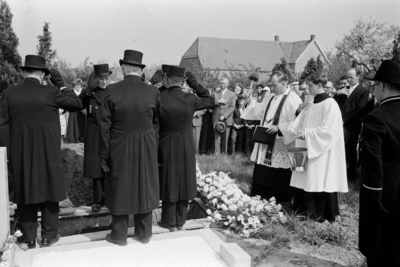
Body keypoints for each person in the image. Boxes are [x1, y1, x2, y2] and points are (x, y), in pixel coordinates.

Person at [0, 55, 83, 248]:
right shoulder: (51, 91)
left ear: (23, 72)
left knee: (24, 190)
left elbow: (3, 127)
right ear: (43, 74)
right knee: (50, 189)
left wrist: (6, 155)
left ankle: (28, 237)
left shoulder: (10, 93)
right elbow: (77, 104)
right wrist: (61, 85)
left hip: (21, 151)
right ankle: (48, 235)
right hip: (48, 150)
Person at [99, 50, 160, 245]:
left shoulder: (111, 90)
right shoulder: (152, 91)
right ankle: (144, 234)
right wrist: (150, 138)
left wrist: (104, 154)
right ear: (140, 70)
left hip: (119, 144)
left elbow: (104, 126)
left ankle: (119, 235)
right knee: (145, 184)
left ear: (123, 68)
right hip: (146, 145)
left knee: (120, 186)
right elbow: (158, 121)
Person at [158, 67, 215, 231]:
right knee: (183, 178)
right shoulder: (190, 98)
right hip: (186, 143)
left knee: (169, 178)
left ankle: (169, 221)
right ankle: (180, 220)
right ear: (183, 81)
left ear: (167, 80)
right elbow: (210, 100)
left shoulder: (160, 97)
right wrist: (194, 83)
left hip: (166, 142)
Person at [290, 74, 348, 222]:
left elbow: (329, 130)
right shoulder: (310, 102)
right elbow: (300, 121)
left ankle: (319, 213)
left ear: (320, 85)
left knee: (317, 177)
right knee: (303, 176)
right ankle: (301, 209)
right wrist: (294, 131)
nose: (307, 88)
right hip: (305, 145)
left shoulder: (330, 104)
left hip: (320, 149)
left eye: (311, 86)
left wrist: (307, 134)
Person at [359, 60, 400, 267]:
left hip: (387, 186)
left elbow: (372, 164)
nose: (373, 91)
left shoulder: (376, 118)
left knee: (380, 242)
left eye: (373, 86)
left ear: (382, 86)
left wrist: (374, 199)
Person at [242, 71, 302, 203]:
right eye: (271, 85)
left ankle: (278, 200)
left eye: (274, 85)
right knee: (263, 171)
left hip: (281, 141)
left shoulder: (293, 99)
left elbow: (298, 122)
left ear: (284, 83)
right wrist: (250, 101)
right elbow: (260, 111)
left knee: (277, 174)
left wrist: (279, 128)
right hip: (266, 141)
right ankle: (260, 195)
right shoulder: (270, 97)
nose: (272, 88)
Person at [78, 64, 112, 212]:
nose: (104, 82)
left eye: (106, 78)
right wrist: (88, 90)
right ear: (96, 79)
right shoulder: (90, 93)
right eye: (101, 79)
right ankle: (99, 200)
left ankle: (111, 198)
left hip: (109, 132)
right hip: (93, 133)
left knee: (110, 166)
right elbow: (78, 102)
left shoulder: (113, 92)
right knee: (96, 167)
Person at [339, 68, 369, 181]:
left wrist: (344, 120)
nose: (349, 79)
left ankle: (350, 175)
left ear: (358, 77)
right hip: (340, 124)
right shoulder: (343, 90)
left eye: (351, 77)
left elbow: (359, 109)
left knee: (350, 150)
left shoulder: (363, 91)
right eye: (348, 77)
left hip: (352, 125)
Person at [212, 78, 236, 154]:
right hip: (216, 117)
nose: (222, 85)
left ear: (227, 84)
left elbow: (232, 107)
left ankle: (224, 153)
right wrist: (218, 101)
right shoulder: (214, 93)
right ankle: (216, 154)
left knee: (225, 138)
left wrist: (225, 116)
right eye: (221, 83)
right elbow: (210, 102)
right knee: (216, 137)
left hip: (227, 118)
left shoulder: (232, 94)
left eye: (224, 83)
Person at [65, 78, 86, 143]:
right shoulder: (71, 92)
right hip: (73, 110)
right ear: (74, 85)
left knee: (81, 124)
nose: (78, 86)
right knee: (73, 123)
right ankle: (73, 138)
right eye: (77, 85)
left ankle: (81, 137)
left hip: (81, 110)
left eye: (79, 85)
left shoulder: (83, 92)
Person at [199, 88, 215, 154]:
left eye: (210, 92)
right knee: (204, 136)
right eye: (208, 92)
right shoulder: (203, 99)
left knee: (209, 136)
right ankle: (202, 151)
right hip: (205, 120)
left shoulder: (213, 100)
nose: (209, 93)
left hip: (211, 120)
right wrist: (209, 110)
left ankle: (208, 150)